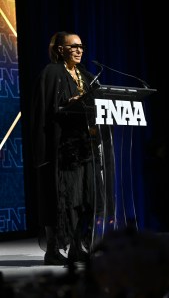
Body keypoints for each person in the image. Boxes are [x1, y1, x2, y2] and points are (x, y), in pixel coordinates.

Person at [30, 31, 104, 265]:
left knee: (81, 199)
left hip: (83, 149)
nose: (80, 50)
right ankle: (52, 250)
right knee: (60, 199)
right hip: (61, 150)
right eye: (74, 47)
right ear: (60, 49)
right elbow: (46, 110)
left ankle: (76, 248)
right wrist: (67, 105)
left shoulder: (85, 75)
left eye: (81, 46)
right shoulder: (52, 73)